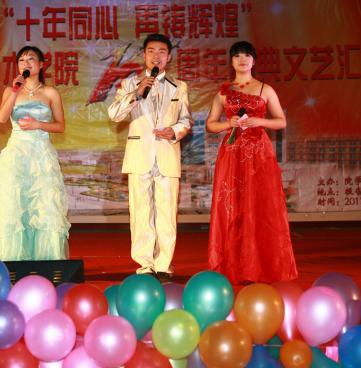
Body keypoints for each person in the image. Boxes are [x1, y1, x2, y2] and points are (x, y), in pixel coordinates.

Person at [206, 40, 297, 284]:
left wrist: (260, 122)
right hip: (232, 154)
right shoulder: (223, 92)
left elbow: (281, 121)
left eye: (247, 55)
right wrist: (228, 124)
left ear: (253, 61)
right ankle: (233, 266)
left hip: (259, 155)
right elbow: (210, 124)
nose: (242, 60)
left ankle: (261, 266)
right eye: (237, 56)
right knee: (232, 208)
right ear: (231, 61)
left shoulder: (265, 89)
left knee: (260, 207)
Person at [108, 33, 192, 280]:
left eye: (162, 52)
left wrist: (174, 131)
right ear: (144, 55)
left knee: (167, 212)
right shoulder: (129, 84)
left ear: (169, 57)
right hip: (139, 156)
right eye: (151, 51)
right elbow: (114, 114)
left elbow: (186, 120)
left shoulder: (179, 87)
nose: (156, 56)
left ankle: (164, 264)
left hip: (167, 153)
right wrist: (136, 93)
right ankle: (145, 264)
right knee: (141, 211)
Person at [0, 46, 70, 260]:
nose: (26, 63)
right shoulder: (11, 91)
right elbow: (1, 118)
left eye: (31, 59)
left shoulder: (50, 93)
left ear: (41, 64)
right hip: (16, 154)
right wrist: (15, 90)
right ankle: (11, 258)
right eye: (21, 60)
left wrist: (38, 124)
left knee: (43, 206)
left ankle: (45, 258)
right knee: (13, 204)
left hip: (41, 155)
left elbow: (60, 125)